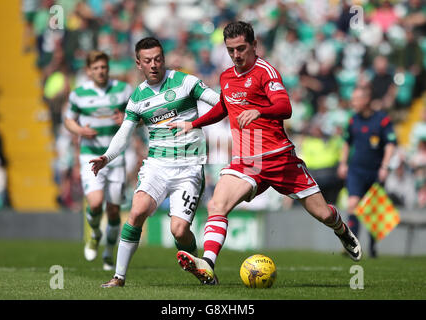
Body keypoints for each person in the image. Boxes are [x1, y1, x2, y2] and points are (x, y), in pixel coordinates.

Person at [168, 21, 362, 285]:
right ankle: (208, 265)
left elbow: (285, 106)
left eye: (241, 49)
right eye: (231, 50)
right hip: (246, 160)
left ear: (254, 45)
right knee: (217, 205)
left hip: (280, 158)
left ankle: (342, 231)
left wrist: (261, 110)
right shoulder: (226, 77)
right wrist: (193, 123)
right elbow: (225, 107)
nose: (236, 55)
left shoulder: (265, 71)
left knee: (324, 214)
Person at [90, 37, 220, 288]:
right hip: (157, 167)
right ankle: (119, 277)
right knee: (137, 211)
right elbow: (124, 133)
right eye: (147, 61)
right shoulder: (138, 97)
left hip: (189, 167)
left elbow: (219, 103)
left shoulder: (185, 81)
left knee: (179, 231)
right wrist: (107, 157)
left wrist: (198, 123)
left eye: (158, 59)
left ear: (164, 58)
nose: (154, 65)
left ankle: (201, 268)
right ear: (139, 64)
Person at [64, 51, 133, 270]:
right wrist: (80, 130)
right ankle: (94, 233)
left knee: (113, 211)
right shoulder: (79, 94)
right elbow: (68, 120)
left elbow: (138, 116)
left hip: (115, 157)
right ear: (88, 71)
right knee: (94, 203)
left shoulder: (123, 90)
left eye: (103, 67)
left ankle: (109, 252)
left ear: (108, 68)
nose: (100, 71)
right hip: (90, 155)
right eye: (96, 68)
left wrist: (126, 119)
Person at [337, 86, 397, 258]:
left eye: (356, 99)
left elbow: (390, 144)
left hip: (375, 171)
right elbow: (347, 142)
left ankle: (372, 247)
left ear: (366, 100)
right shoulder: (352, 120)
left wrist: (385, 167)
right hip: (356, 170)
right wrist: (343, 163)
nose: (353, 102)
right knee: (352, 205)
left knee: (372, 211)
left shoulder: (382, 119)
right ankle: (352, 244)